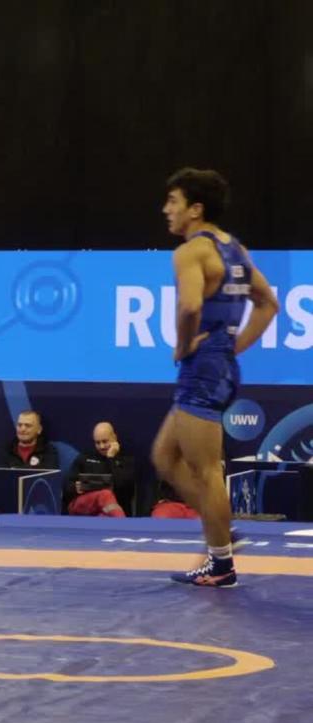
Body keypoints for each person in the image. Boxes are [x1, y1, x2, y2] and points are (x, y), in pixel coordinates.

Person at [152, 167, 279, 588]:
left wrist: (184, 345)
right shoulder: (234, 249)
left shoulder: (191, 252)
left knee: (206, 470)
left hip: (203, 368)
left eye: (173, 201)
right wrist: (232, 347)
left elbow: (189, 306)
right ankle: (223, 530)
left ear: (195, 209)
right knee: (164, 457)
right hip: (218, 364)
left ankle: (221, 564)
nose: (166, 209)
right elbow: (268, 304)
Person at [64, 422, 137, 517]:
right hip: (86, 505)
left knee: (104, 510)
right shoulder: (85, 457)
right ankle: (122, 524)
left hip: (110, 508)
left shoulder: (126, 460)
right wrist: (75, 487)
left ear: (114, 438)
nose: (101, 446)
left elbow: (124, 488)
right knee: (104, 494)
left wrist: (111, 458)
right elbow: (66, 486)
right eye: (97, 443)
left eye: (105, 441)